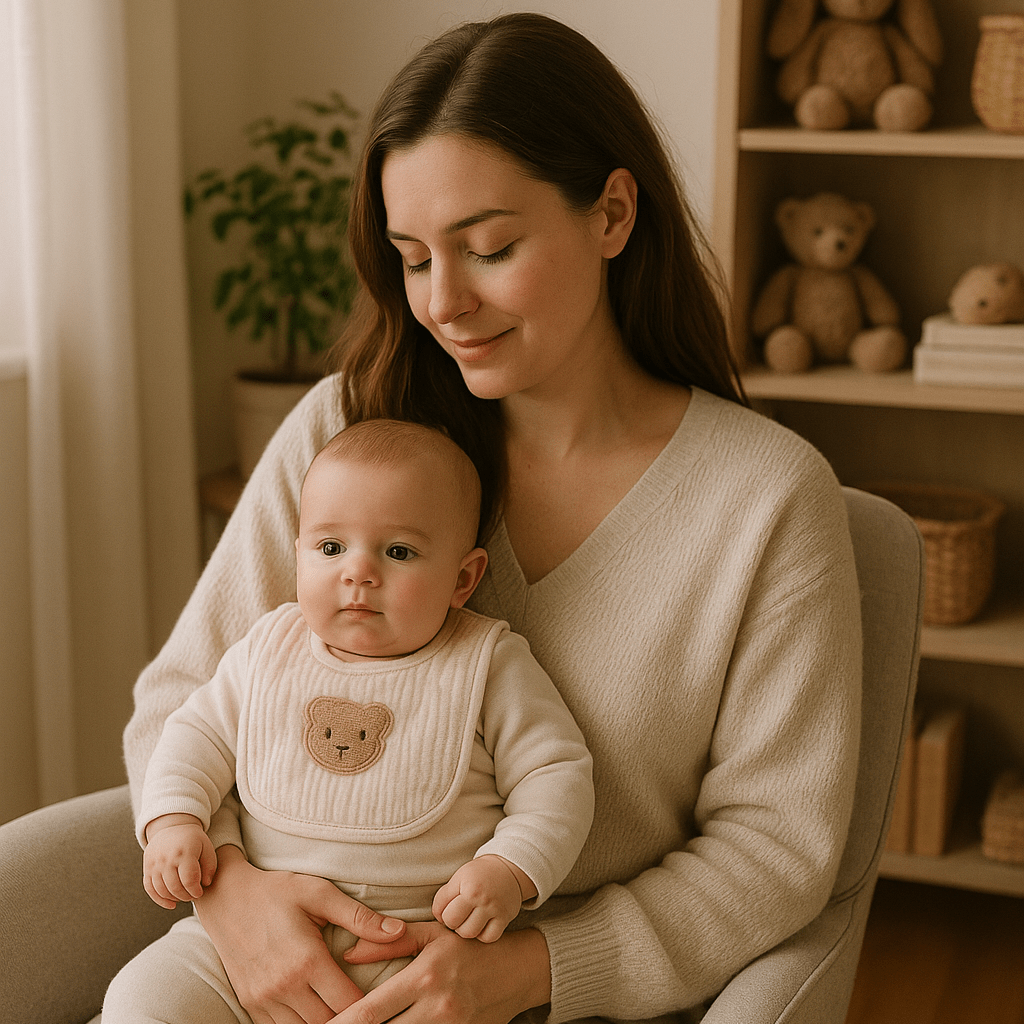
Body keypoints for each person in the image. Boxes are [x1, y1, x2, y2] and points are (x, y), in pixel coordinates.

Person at [119, 12, 862, 1024]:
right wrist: (234, 899)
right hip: (263, 970)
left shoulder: (766, 500)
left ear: (609, 214)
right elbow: (186, 697)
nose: (443, 302)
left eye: (490, 248)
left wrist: (530, 968)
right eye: (414, 257)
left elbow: (775, 847)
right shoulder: (349, 427)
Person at [105, 419, 594, 1021]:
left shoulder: (488, 664)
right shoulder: (267, 649)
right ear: (298, 554)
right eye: (331, 548)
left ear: (463, 578)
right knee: (144, 997)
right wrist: (174, 821)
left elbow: (556, 775)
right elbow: (192, 735)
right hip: (243, 945)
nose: (358, 573)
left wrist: (510, 868)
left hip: (409, 953)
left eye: (399, 551)